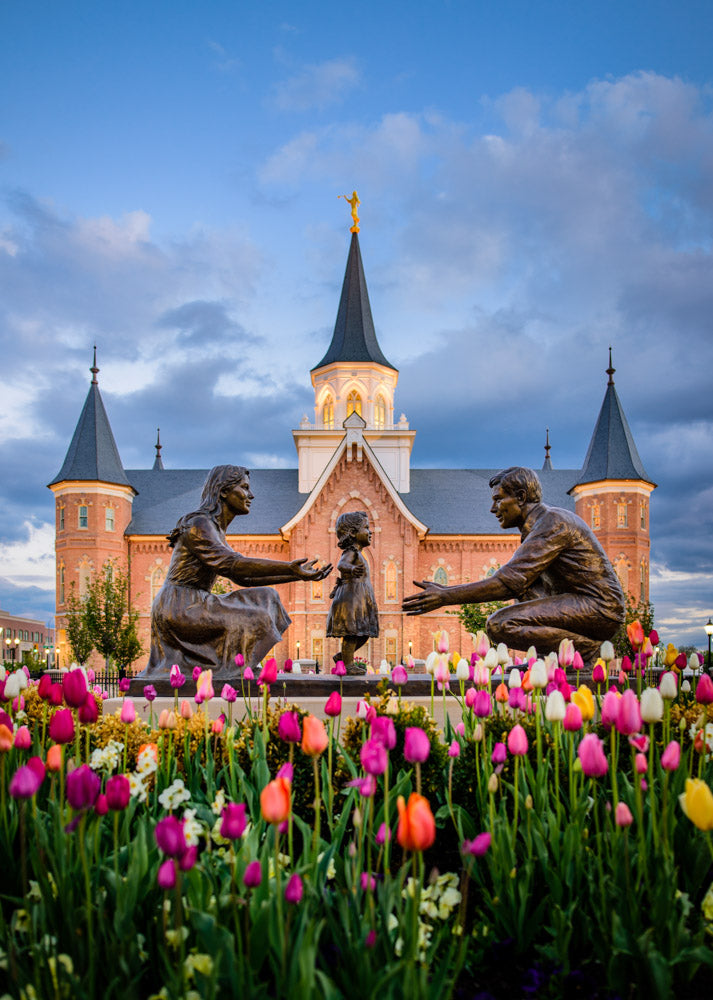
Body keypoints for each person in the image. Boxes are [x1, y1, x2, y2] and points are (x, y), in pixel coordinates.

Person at [403, 467, 625, 665]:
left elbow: (505, 583)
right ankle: (549, 659)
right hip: (581, 602)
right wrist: (446, 592)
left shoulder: (551, 523)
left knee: (499, 625)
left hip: (600, 608)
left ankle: (586, 650)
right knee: (526, 589)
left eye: (498, 499)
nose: (493, 508)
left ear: (521, 497)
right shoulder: (538, 526)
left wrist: (446, 596)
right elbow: (520, 586)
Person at [143, 465, 331, 679]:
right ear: (224, 490)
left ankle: (238, 667)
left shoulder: (216, 529)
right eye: (244, 488)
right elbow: (234, 565)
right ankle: (235, 671)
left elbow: (243, 577)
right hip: (180, 607)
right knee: (257, 617)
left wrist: (295, 574)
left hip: (199, 600)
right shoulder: (198, 524)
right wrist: (288, 567)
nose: (251, 495)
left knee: (268, 597)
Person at [326, 510, 379, 675]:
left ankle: (342, 657)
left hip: (360, 598)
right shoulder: (351, 553)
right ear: (354, 533)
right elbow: (342, 565)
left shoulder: (359, 553)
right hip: (351, 599)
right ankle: (347, 664)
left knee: (364, 633)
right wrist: (353, 568)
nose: (370, 532)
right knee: (352, 633)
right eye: (366, 528)